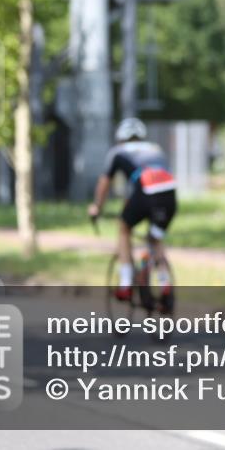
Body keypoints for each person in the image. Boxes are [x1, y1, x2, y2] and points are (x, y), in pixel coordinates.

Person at [88, 118, 177, 313]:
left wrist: (97, 207)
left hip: (145, 193)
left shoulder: (118, 152)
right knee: (155, 238)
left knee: (123, 227)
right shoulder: (155, 149)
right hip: (169, 195)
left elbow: (104, 184)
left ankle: (126, 283)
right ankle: (164, 283)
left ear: (121, 138)